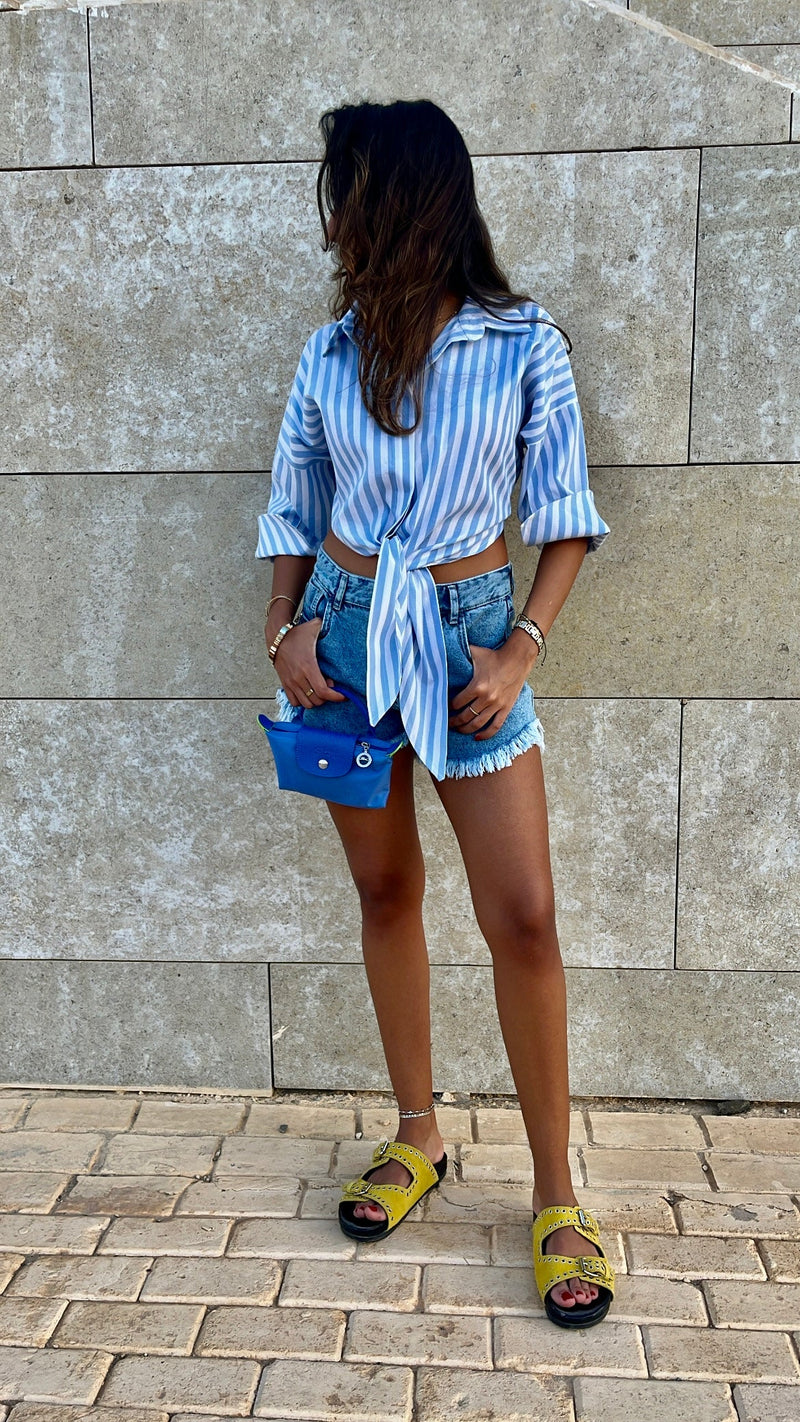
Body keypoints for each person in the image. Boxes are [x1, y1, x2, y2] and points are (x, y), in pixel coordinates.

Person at [257, 99, 615, 1329]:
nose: (333, 219)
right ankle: (417, 1133)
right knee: (385, 893)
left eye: (345, 193)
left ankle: (558, 1195)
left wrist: (520, 650)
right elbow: (291, 513)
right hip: (346, 637)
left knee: (522, 916)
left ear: (402, 200)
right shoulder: (327, 352)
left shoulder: (522, 343)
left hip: (469, 642)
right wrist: (284, 632)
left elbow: (564, 518)